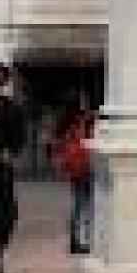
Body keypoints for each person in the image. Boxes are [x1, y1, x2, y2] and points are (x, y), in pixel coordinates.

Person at [0, 62, 24, 273]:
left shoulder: (11, 107)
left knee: (6, 216)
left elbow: (19, 137)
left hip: (1, 169)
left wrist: (11, 151)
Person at [55, 95, 94, 255]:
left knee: (78, 204)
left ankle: (75, 240)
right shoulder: (82, 123)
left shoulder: (68, 124)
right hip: (84, 167)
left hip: (75, 169)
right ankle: (82, 240)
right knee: (85, 204)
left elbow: (61, 147)